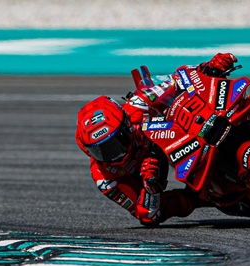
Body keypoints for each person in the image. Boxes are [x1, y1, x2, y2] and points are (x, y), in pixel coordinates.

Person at [75, 52, 238, 226]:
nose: (112, 154)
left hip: (177, 134)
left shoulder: (138, 105)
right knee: (162, 211)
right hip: (151, 173)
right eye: (99, 151)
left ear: (126, 126)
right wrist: (150, 188)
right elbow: (146, 215)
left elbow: (178, 79)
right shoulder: (104, 179)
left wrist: (209, 68)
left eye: (115, 143)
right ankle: (204, 195)